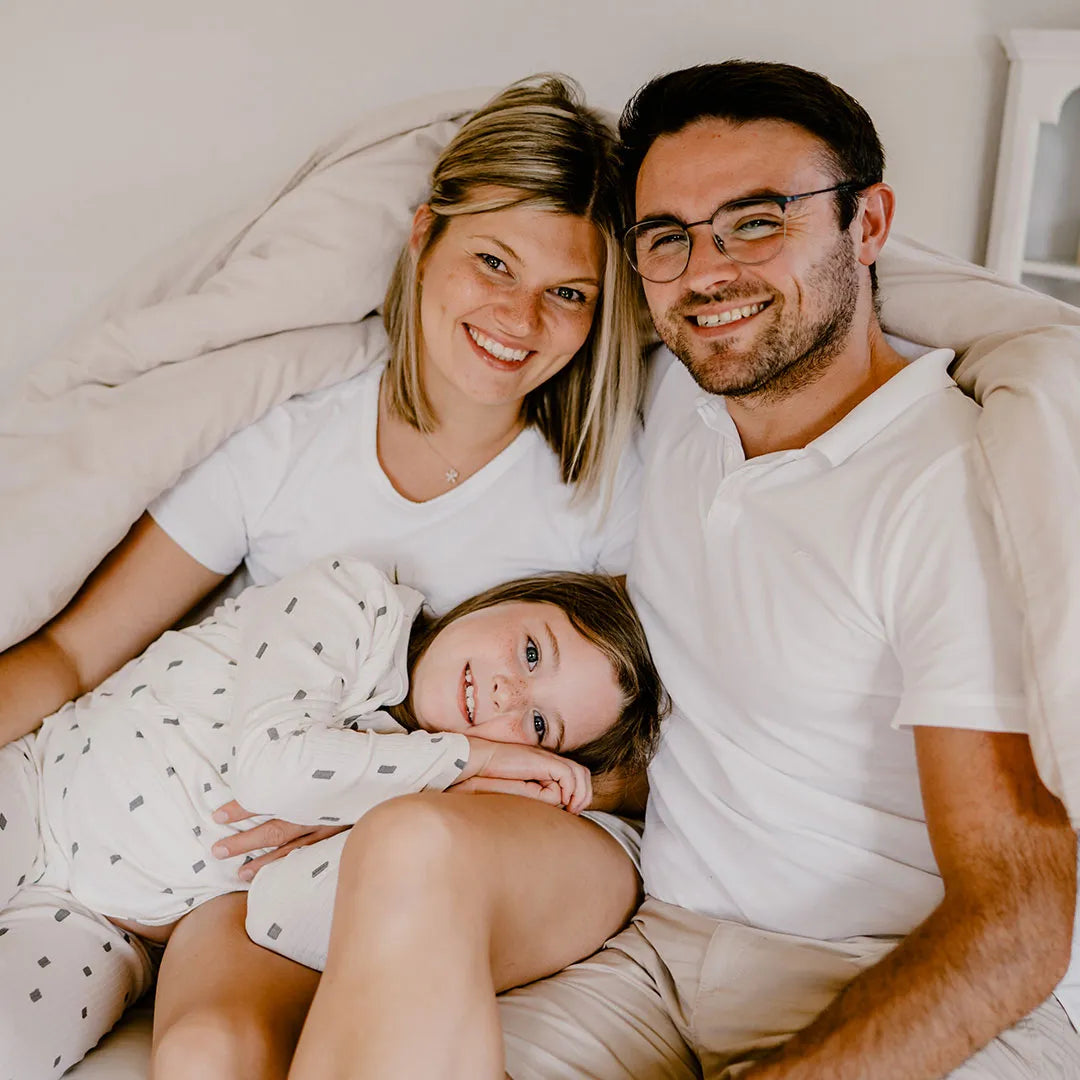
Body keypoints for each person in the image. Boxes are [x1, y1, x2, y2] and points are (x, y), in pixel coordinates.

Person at [286, 62, 1080, 1080]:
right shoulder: (676, 400)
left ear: (869, 225)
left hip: (898, 981)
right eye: (669, 236)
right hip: (659, 956)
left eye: (758, 222)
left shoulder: (950, 490)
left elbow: (1018, 921)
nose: (707, 273)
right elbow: (478, 275)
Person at [0, 75, 652, 1080]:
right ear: (423, 237)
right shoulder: (293, 436)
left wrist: (388, 795)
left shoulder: (600, 497)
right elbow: (76, 651)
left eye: (568, 293)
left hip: (277, 877)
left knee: (213, 1050)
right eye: (493, 261)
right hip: (150, 786)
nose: (519, 316)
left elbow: (629, 737)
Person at [0, 554, 664, 1078]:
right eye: (531, 652)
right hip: (37, 789)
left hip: (103, 932)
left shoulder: (417, 801)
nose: (507, 693)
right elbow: (272, 767)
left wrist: (470, 788)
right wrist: (467, 756)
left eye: (539, 725)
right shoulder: (354, 602)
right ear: (509, 598)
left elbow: (276, 912)